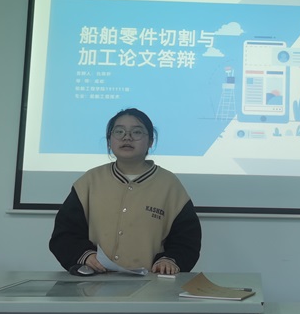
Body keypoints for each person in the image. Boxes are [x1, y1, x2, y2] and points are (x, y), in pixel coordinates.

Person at [49, 108, 201, 275]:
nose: (127, 137)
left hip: (150, 284)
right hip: (94, 282)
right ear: (109, 140)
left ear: (151, 141)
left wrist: (170, 259)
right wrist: (85, 255)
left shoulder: (170, 185)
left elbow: (187, 240)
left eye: (136, 132)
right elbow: (64, 235)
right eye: (119, 131)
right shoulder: (89, 181)